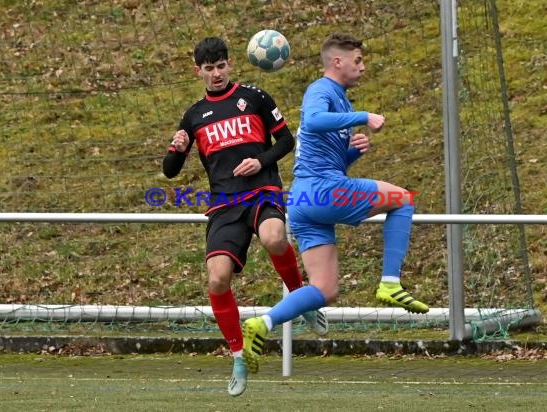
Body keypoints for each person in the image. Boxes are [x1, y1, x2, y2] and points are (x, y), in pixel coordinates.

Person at [242, 33, 429, 374]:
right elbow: (311, 123)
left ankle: (263, 324)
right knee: (402, 199)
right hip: (324, 191)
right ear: (337, 61)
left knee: (324, 289)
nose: (363, 66)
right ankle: (390, 282)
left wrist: (351, 153)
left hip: (304, 199)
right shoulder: (321, 90)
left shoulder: (337, 99)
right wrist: (363, 116)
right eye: (357, 60)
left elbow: (325, 159)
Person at [162, 37, 328, 397]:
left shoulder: (255, 97)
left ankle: (301, 298)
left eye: (221, 66)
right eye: (209, 68)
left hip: (263, 191)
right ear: (198, 71)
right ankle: (238, 356)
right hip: (224, 204)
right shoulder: (193, 116)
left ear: (230, 65)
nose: (216, 73)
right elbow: (170, 171)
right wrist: (175, 149)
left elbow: (286, 142)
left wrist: (262, 160)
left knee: (273, 237)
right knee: (217, 279)